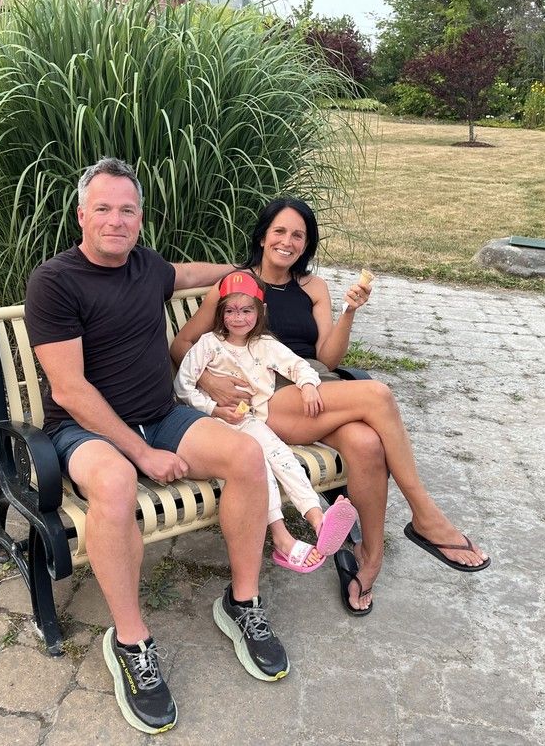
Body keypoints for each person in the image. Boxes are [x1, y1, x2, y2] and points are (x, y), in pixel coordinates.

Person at [24, 158, 289, 736]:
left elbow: (194, 272)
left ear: (140, 219)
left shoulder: (147, 268)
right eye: (103, 209)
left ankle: (243, 602)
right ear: (81, 216)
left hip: (162, 415)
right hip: (82, 429)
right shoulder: (55, 282)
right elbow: (70, 390)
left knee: (246, 456)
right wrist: (141, 456)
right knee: (116, 484)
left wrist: (253, 272)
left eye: (127, 210)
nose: (116, 220)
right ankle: (130, 641)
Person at [171, 197, 490, 617]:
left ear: (307, 244)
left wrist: (349, 314)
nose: (287, 241)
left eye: (298, 235)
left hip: (316, 391)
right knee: (376, 394)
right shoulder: (236, 285)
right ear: (263, 235)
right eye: (279, 231)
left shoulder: (313, 287)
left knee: (365, 443)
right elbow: (182, 344)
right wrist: (211, 380)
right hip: (270, 399)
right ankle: (425, 515)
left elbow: (330, 357)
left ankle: (367, 560)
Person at [174, 270, 358, 573]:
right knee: (258, 466)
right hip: (214, 428)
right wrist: (213, 409)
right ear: (220, 314)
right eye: (230, 311)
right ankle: (282, 536)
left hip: (249, 422)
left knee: (282, 457)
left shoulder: (265, 345)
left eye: (246, 310)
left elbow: (298, 366)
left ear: (259, 312)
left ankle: (318, 518)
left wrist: (309, 385)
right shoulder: (208, 344)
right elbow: (183, 387)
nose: (238, 318)